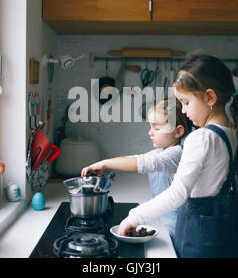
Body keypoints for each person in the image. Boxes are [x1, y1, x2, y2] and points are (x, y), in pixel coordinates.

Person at [116, 54, 238, 258]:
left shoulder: (201, 138)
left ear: (209, 97)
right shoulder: (235, 133)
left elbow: (177, 194)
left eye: (186, 102)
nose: (182, 110)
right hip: (228, 237)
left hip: (199, 239)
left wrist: (133, 218)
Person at [81, 99, 192, 240]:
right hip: (163, 221)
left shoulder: (177, 153)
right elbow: (134, 158)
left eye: (157, 128)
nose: (150, 133)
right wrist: (105, 164)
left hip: (178, 228)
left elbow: (142, 163)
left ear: (178, 131)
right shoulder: (160, 152)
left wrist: (103, 164)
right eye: (150, 127)